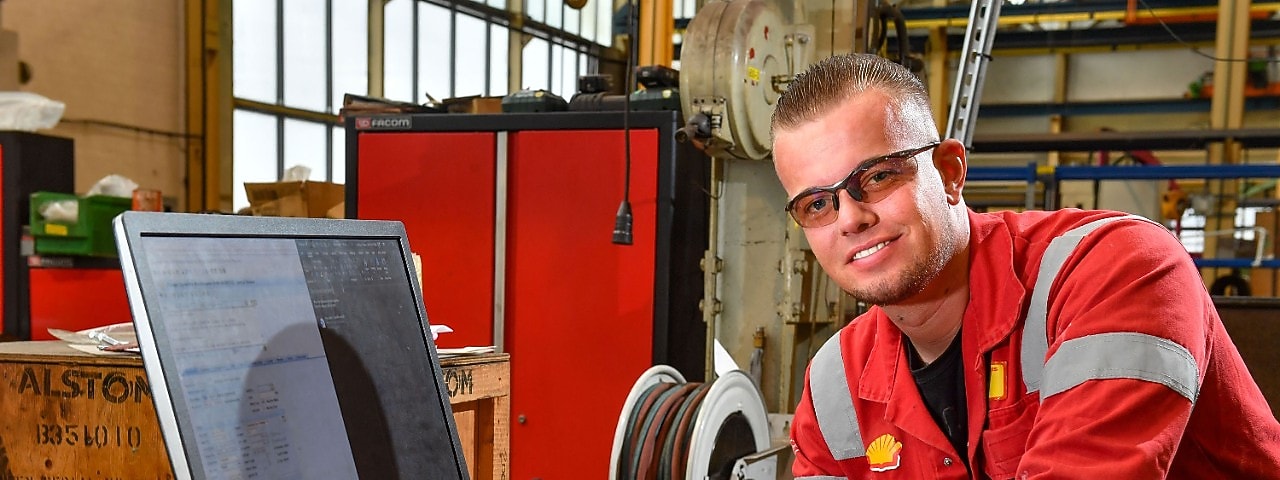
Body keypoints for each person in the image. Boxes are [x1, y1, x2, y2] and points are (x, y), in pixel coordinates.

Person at [770, 52, 1280, 479]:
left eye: (878, 176)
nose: (851, 218)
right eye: (817, 204)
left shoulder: (1118, 271)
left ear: (949, 173)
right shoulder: (834, 385)